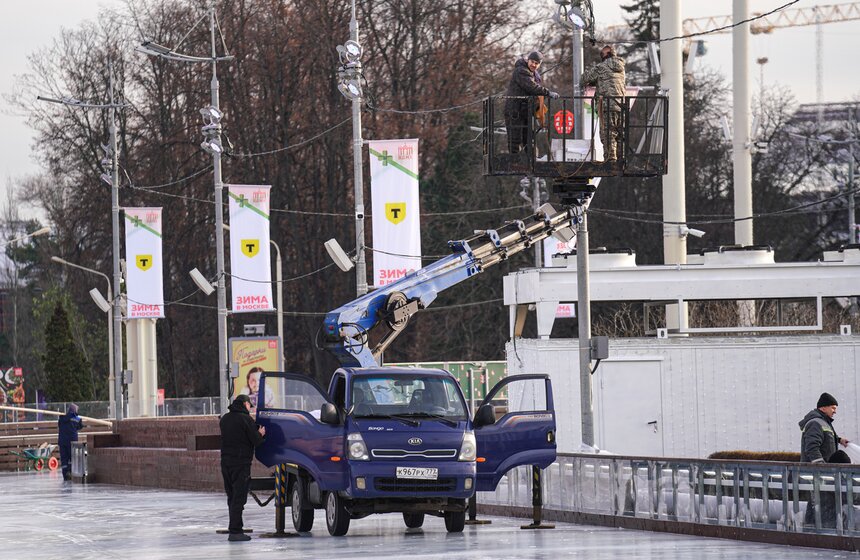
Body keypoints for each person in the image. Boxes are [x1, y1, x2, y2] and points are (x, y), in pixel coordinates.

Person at [799, 392, 851, 526]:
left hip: (824, 473)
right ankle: (818, 527)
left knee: (819, 500)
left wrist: (839, 440)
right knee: (820, 500)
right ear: (823, 408)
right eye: (833, 408)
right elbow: (811, 447)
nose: (835, 411)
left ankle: (812, 525)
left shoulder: (824, 422)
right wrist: (821, 468)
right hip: (819, 473)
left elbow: (824, 437)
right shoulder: (816, 423)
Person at [220, 394, 266, 542]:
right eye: (249, 406)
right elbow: (256, 441)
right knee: (239, 498)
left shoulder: (225, 419)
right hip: (241, 464)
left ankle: (234, 527)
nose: (250, 409)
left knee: (232, 496)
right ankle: (235, 531)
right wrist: (261, 433)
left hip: (226, 463)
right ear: (245, 404)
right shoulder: (246, 419)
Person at [504, 51, 560, 155]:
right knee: (515, 139)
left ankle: (529, 162)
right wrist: (548, 93)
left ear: (540, 64)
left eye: (536, 63)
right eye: (532, 62)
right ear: (527, 60)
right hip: (514, 110)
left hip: (525, 110)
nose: (533, 65)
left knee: (528, 139)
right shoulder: (521, 71)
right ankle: (514, 162)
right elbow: (531, 87)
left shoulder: (534, 74)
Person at [581, 45, 626, 162]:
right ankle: (621, 159)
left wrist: (589, 74)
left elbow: (584, 79)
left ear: (606, 55)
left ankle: (610, 160)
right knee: (619, 133)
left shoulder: (601, 66)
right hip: (621, 105)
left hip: (607, 104)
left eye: (602, 54)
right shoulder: (621, 67)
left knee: (608, 133)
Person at [57, 403, 83, 481]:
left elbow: (59, 425)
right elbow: (80, 427)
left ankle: (65, 475)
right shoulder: (78, 419)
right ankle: (71, 473)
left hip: (62, 442)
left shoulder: (61, 418)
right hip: (72, 442)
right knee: (72, 458)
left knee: (64, 459)